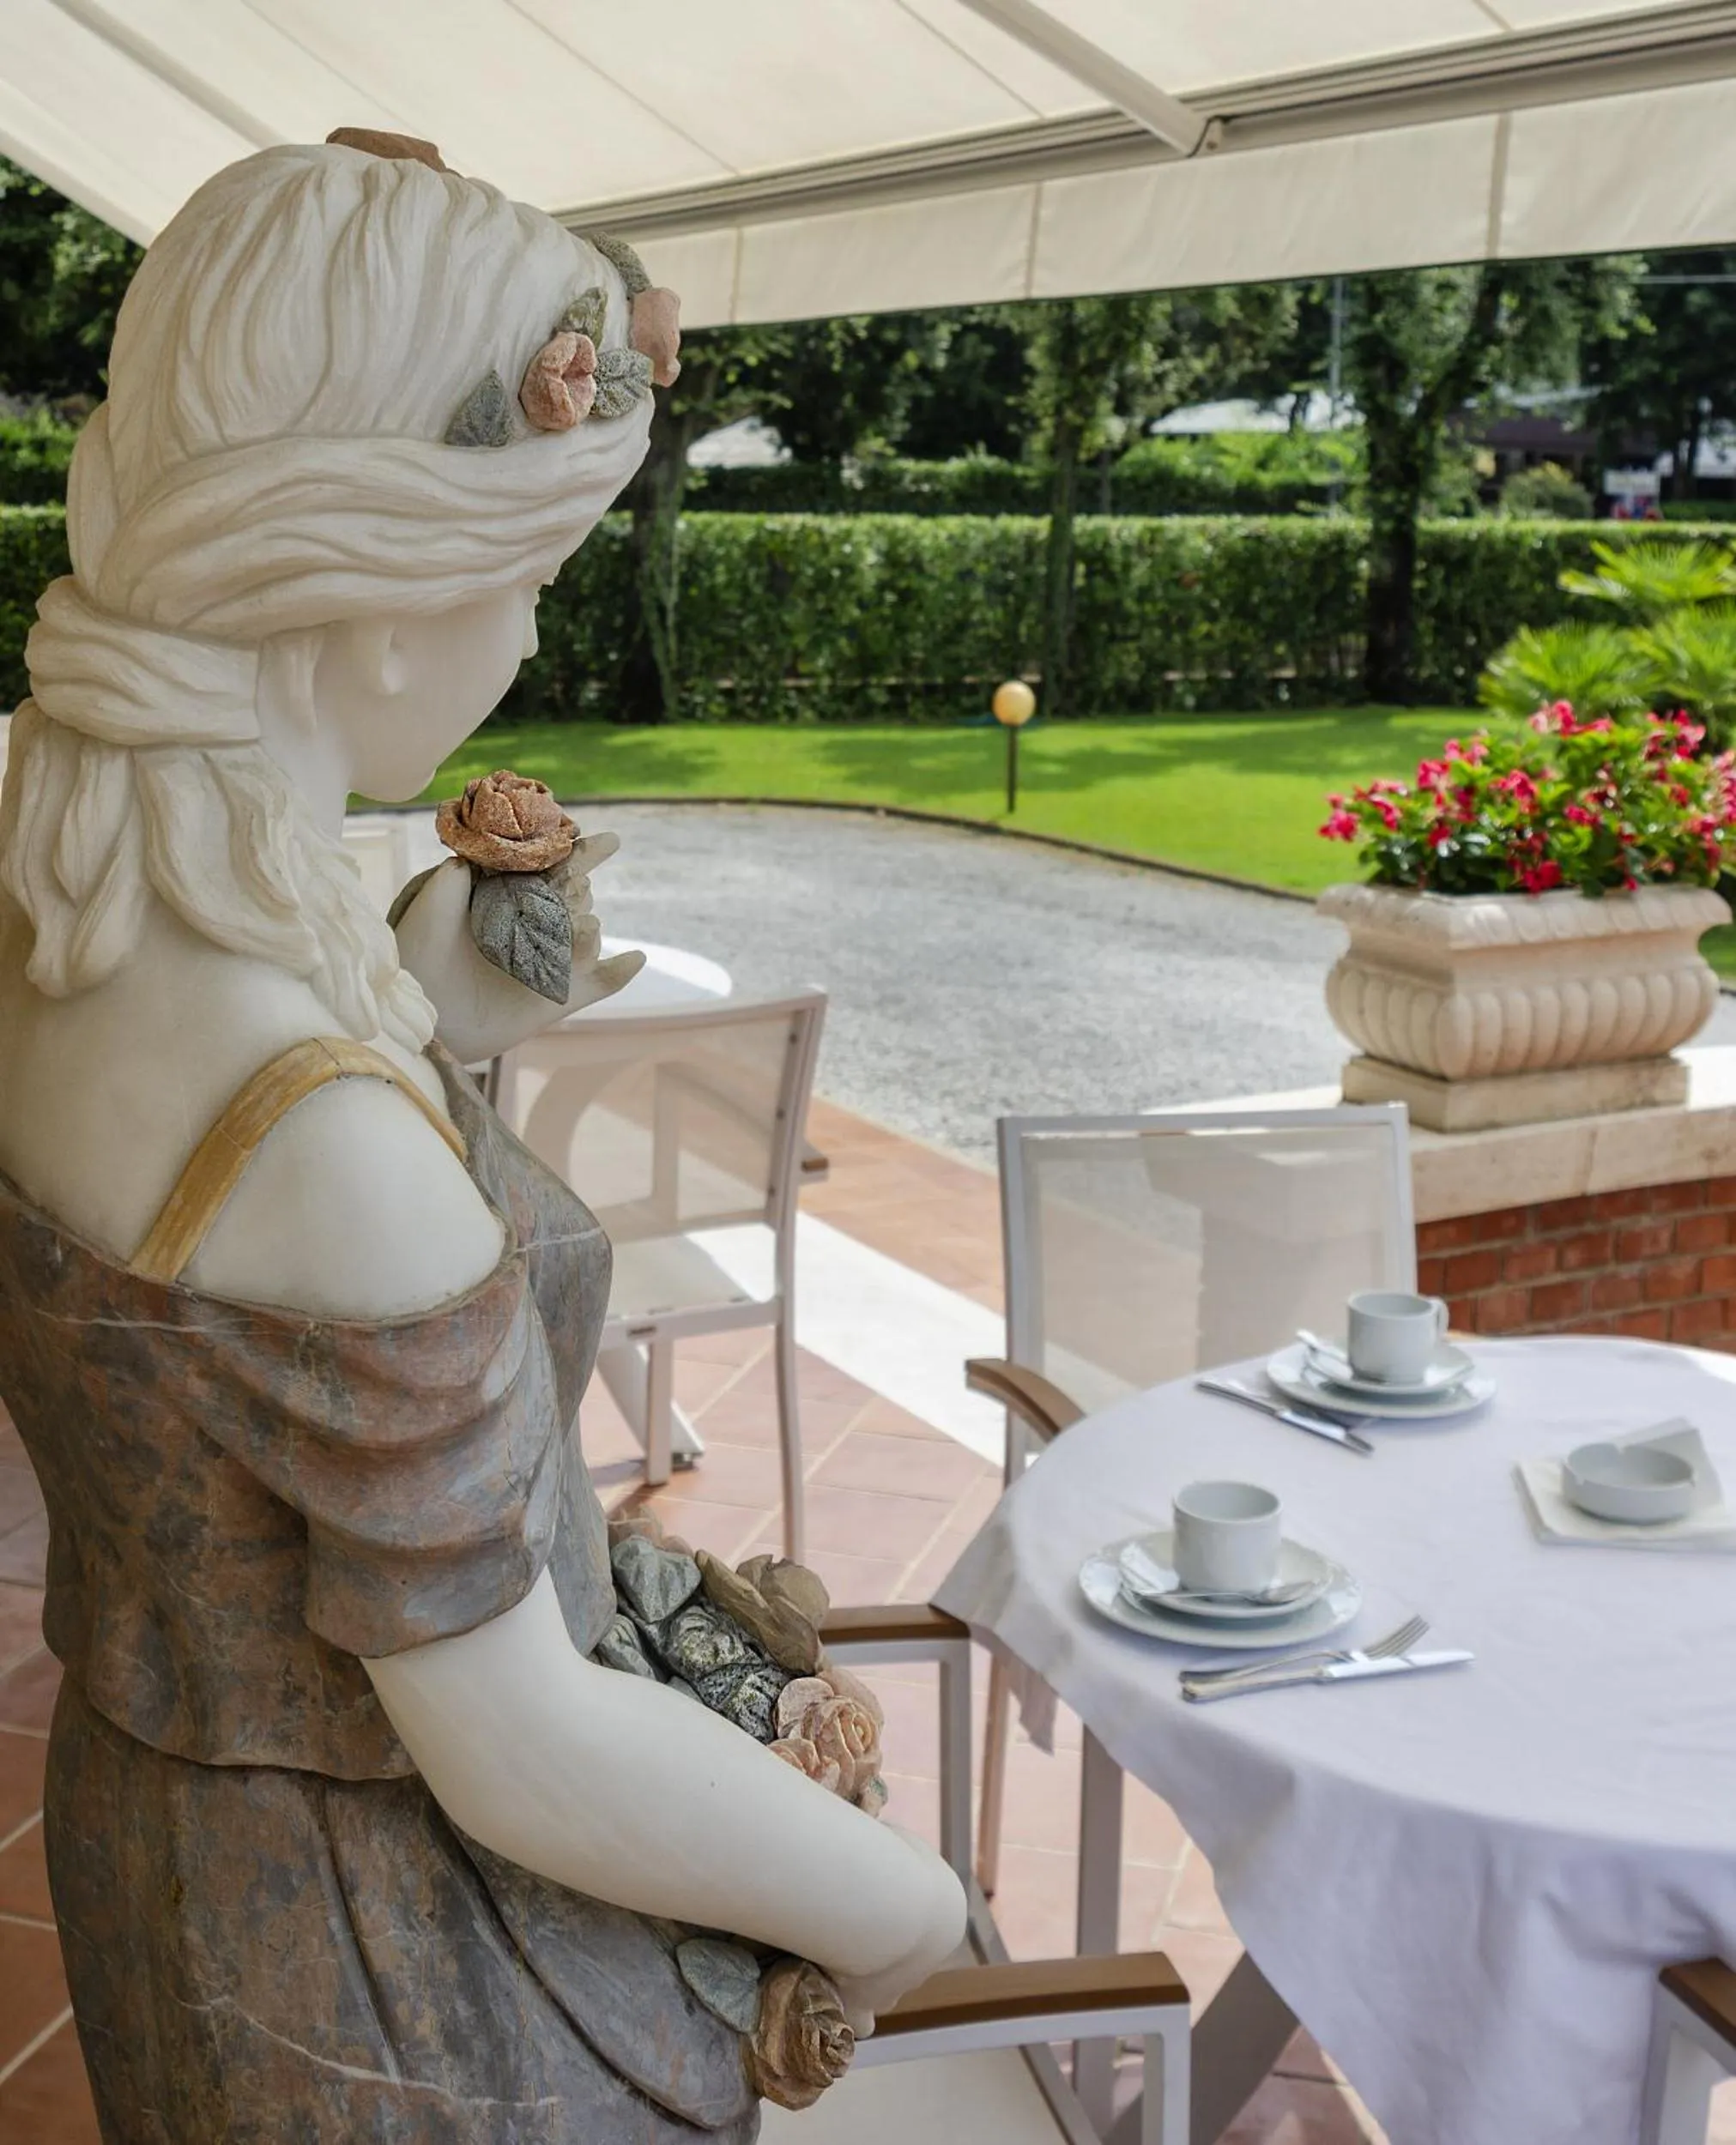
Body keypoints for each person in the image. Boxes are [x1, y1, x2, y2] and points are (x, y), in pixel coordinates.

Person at [0, 136, 963, 2142]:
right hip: (393, 1959)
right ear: (365, 594)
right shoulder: (319, 1145)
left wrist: (440, 1005)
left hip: (160, 1822)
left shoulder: (59, 917)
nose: (528, 645)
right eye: (524, 582)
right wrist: (900, 1907)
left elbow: (205, 1267)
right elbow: (519, 1747)